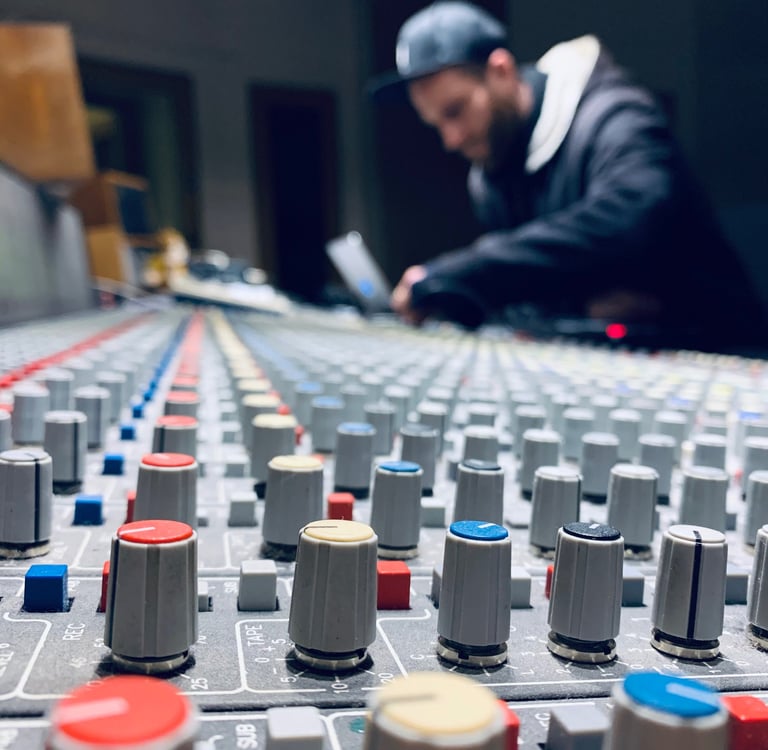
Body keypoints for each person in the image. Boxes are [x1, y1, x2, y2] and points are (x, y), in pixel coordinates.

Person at [371, 2, 765, 346]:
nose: (450, 139)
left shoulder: (617, 118)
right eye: (436, 123)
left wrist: (459, 273)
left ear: (501, 71)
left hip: (722, 351)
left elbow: (626, 223)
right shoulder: (491, 171)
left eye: (455, 111)